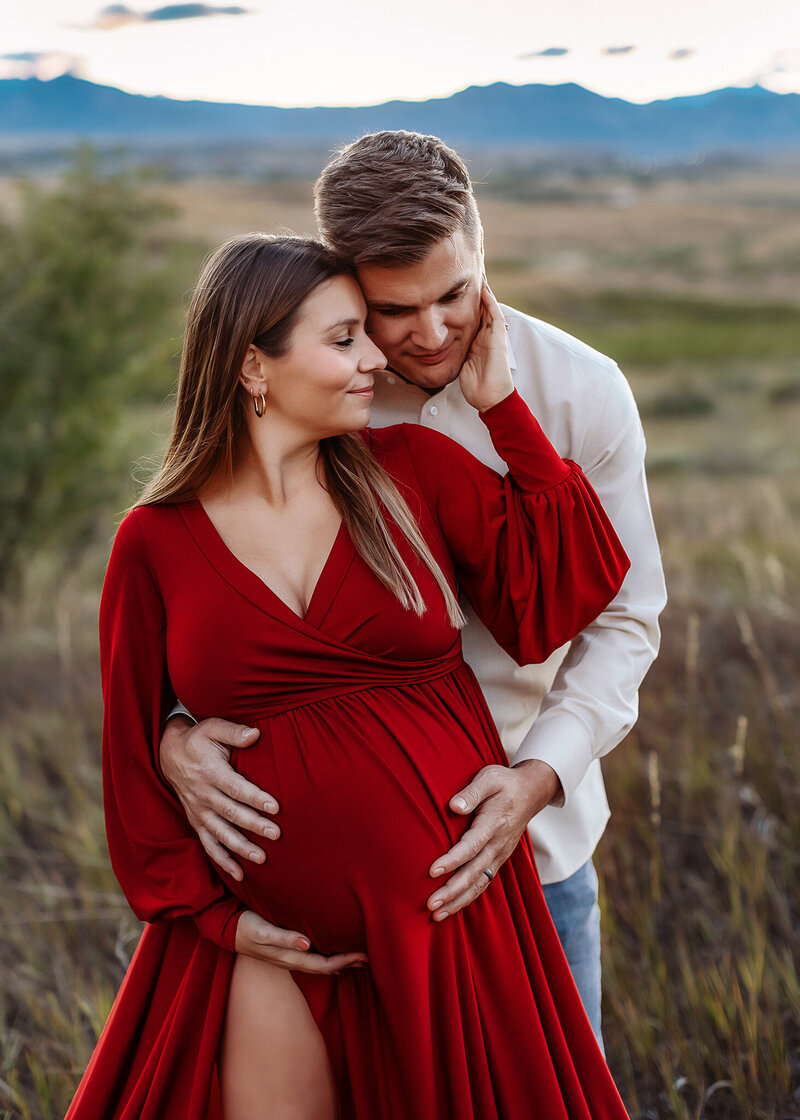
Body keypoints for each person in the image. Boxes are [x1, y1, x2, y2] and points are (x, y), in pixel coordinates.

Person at [67, 231, 631, 1119]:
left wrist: (503, 410)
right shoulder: (154, 542)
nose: (376, 357)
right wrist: (221, 921)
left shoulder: (410, 471)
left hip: (452, 922)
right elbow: (131, 758)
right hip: (269, 946)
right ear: (254, 365)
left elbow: (557, 601)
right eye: (344, 340)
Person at [159, 130, 667, 1046]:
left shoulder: (583, 392)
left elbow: (625, 621)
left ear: (482, 252)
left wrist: (536, 776)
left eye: (456, 294)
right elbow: (196, 579)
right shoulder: (307, 388)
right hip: (314, 893)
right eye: (393, 311)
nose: (431, 335)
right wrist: (174, 733)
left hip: (532, 857)